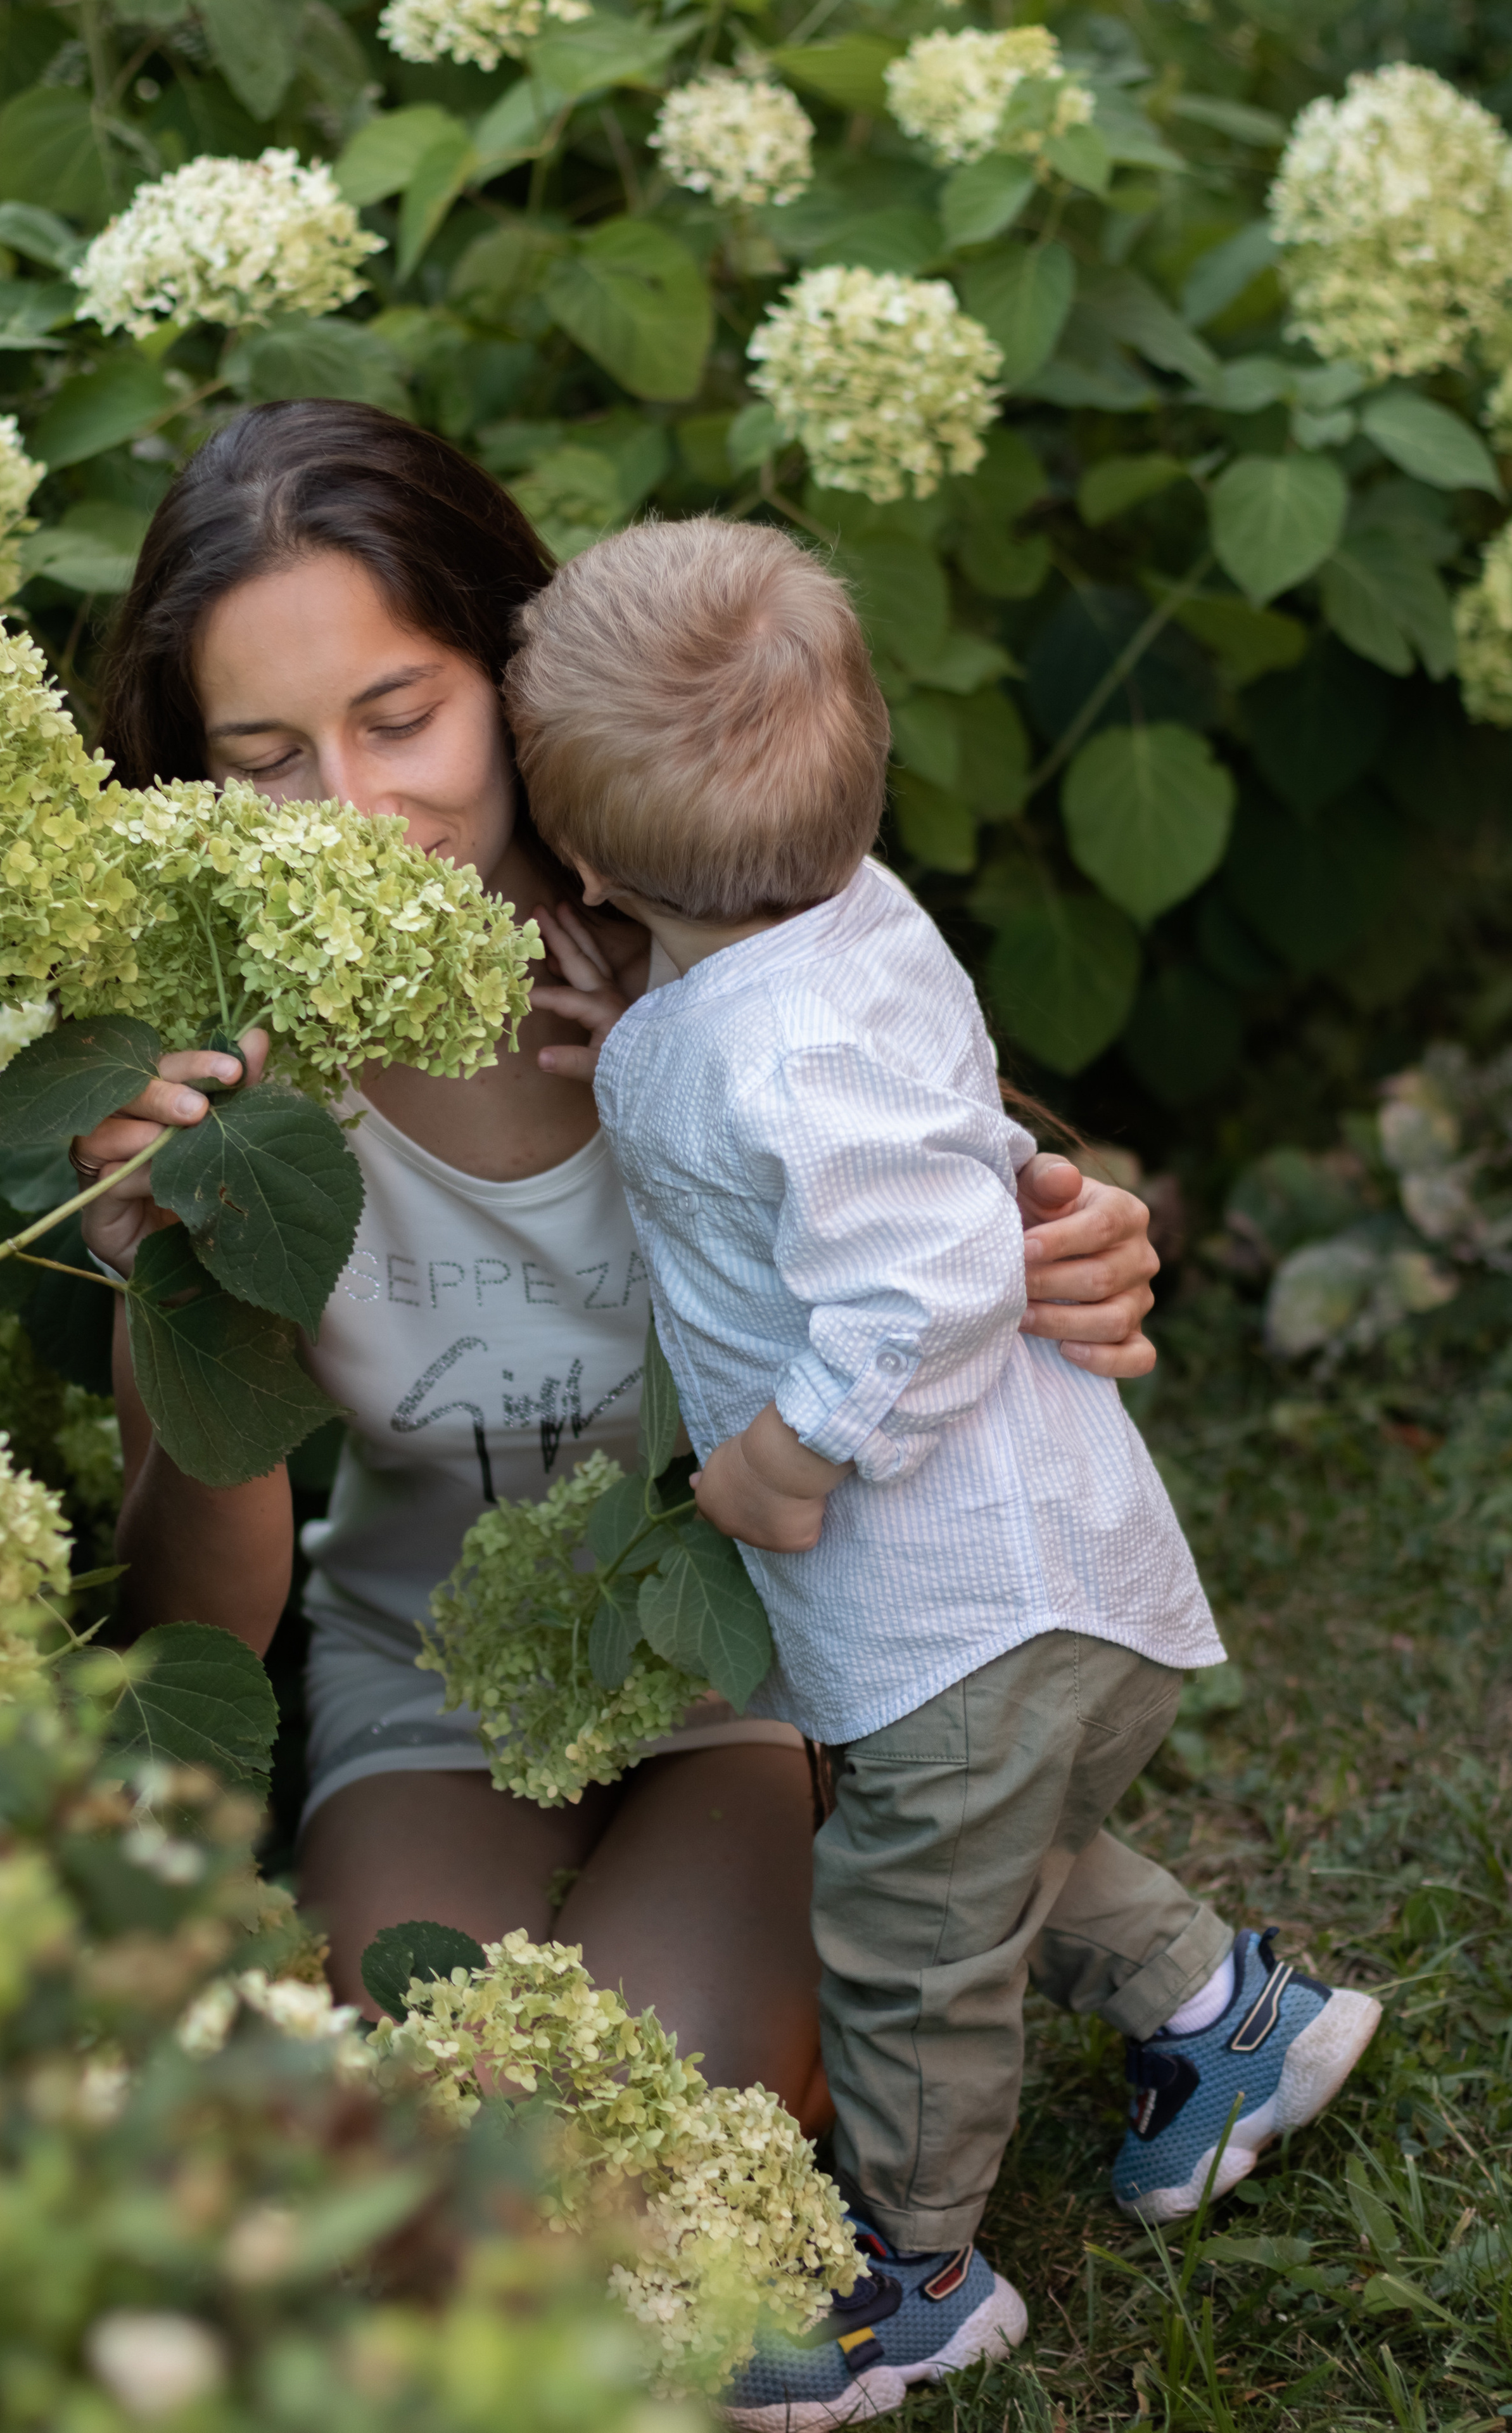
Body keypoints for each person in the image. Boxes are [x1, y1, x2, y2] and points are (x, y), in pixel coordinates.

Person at [73, 399, 1167, 2132]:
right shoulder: (211, 1090)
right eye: (266, 755)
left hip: (751, 1667)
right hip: (427, 1676)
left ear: (512, 675)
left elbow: (961, 1235)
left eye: (399, 714)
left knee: (666, 2131)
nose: (351, 809)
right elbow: (207, 1622)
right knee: (424, 2124)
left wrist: (1075, 1249)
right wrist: (177, 1290)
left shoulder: (720, 950)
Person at [504, 516, 1385, 2423]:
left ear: (577, 855)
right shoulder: (836, 938)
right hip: (1053, 1593)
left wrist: (788, 1458)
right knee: (981, 1855)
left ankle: (914, 2273)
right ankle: (1231, 2018)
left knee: (906, 1943)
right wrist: (638, 1034)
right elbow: (788, 1107)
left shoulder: (774, 1041)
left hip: (964, 1602)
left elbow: (922, 1270)